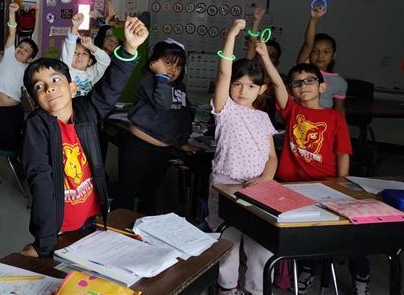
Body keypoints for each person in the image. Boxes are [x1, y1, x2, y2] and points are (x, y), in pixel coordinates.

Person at [20, 17, 148, 258]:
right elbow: (40, 182)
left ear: (72, 87)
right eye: (39, 86)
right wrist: (44, 242)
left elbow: (109, 89)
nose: (49, 88)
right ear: (33, 101)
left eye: (56, 80)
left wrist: (130, 49)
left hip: (93, 219)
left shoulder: (87, 111)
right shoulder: (36, 127)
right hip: (58, 229)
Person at [255, 42, 366, 294]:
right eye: (297, 83)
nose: (303, 85)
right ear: (292, 91)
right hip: (293, 188)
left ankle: (362, 275)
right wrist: (264, 57)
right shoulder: (291, 111)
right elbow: (278, 84)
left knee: (349, 234)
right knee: (302, 235)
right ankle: (305, 270)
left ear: (321, 86)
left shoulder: (335, 118)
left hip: (327, 186)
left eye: (309, 81)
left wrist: (342, 184)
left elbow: (343, 154)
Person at [207, 20, 277, 295]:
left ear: (261, 90)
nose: (242, 90)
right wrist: (231, 37)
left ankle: (255, 290)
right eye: (237, 84)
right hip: (226, 184)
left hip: (259, 187)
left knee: (260, 245)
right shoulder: (225, 110)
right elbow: (224, 74)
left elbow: (271, 155)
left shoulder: (263, 118)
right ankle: (227, 289)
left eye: (250, 86)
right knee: (229, 241)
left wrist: (265, 178)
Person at [115, 38, 197, 214]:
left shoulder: (180, 87)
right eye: (167, 63)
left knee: (151, 195)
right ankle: (116, 234)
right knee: (126, 193)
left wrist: (182, 141)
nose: (173, 69)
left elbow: (182, 117)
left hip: (162, 151)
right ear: (154, 63)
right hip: (138, 146)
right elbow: (163, 102)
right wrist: (160, 76)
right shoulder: (149, 80)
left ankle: (143, 236)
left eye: (178, 66)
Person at [0, 2, 38, 152]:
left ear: (30, 59)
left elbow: (29, 91)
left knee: (15, 141)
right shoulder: (9, 56)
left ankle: (22, 167)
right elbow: (12, 32)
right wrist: (12, 13)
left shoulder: (27, 70)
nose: (21, 50)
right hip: (1, 110)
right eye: (20, 47)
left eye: (26, 50)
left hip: (15, 110)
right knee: (8, 143)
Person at [295, 5, 347, 114]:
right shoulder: (304, 69)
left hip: (323, 126)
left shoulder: (340, 82)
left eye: (326, 52)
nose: (320, 56)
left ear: (334, 55)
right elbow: (308, 43)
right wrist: (314, 19)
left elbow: (339, 111)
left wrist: (342, 130)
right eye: (315, 51)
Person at [245, 6, 282, 121]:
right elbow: (252, 44)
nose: (266, 57)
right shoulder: (250, 74)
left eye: (272, 56)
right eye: (262, 54)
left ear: (277, 62)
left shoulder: (278, 83)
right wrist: (256, 22)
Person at [61, 12, 111, 97]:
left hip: (85, 108)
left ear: (90, 61)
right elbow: (69, 47)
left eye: (84, 53)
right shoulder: (66, 69)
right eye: (75, 52)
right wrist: (75, 27)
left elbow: (105, 61)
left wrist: (92, 47)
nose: (79, 55)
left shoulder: (91, 73)